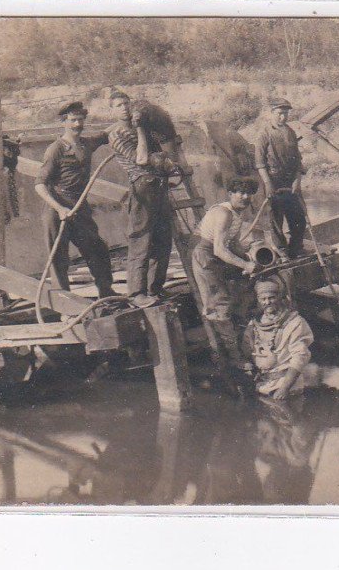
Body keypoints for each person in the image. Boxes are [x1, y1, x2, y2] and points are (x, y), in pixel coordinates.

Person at [33, 101, 115, 298]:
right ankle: (64, 301)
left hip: (79, 208)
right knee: (58, 257)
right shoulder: (56, 149)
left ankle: (106, 291)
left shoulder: (87, 144)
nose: (77, 124)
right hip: (57, 209)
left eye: (80, 119)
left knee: (97, 249)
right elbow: (39, 185)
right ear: (64, 122)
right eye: (72, 120)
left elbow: (106, 135)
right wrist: (59, 208)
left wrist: (126, 121)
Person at [107, 89, 177, 307]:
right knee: (141, 240)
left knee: (163, 238)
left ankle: (155, 289)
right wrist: (140, 130)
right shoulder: (116, 133)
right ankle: (136, 293)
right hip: (142, 187)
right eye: (118, 105)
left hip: (160, 185)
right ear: (111, 109)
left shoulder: (146, 128)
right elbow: (142, 158)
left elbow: (166, 153)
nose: (124, 108)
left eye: (127, 103)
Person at [192, 177, 263, 366]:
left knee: (246, 286)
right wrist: (246, 265)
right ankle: (232, 357)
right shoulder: (224, 213)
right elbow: (219, 249)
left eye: (249, 193)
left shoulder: (237, 214)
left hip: (219, 256)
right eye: (240, 192)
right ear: (230, 194)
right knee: (220, 303)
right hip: (206, 257)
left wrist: (250, 257)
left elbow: (233, 243)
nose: (245, 197)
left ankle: (244, 337)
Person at [242, 276, 314, 400]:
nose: (267, 302)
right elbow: (246, 350)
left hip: (286, 385)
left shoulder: (294, 323)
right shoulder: (253, 324)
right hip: (262, 384)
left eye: (271, 297)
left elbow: (300, 356)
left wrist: (284, 388)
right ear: (258, 300)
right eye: (263, 299)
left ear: (279, 297)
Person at [254, 98, 307, 258]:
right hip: (273, 181)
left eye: (285, 114)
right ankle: (282, 251)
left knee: (299, 219)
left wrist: (297, 180)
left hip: (290, 183)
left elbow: (298, 160)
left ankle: (295, 249)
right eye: (279, 113)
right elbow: (260, 162)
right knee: (276, 219)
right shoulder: (264, 134)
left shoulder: (290, 132)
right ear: (271, 113)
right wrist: (268, 183)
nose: (283, 117)